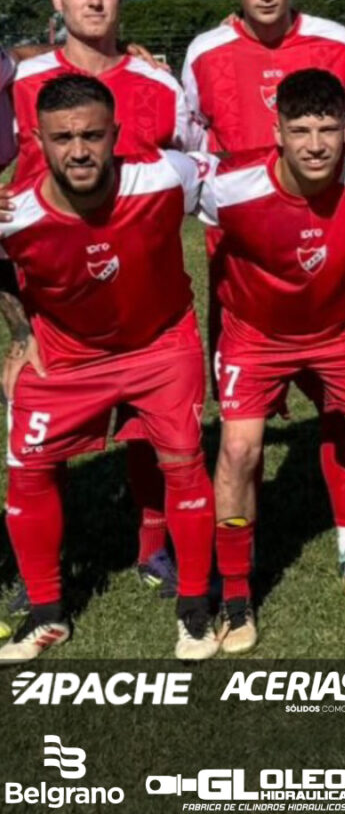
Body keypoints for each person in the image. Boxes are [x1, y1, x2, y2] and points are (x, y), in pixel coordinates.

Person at [181, 0, 345, 583]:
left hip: (326, 255)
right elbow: (188, 145)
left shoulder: (334, 41)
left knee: (341, 407)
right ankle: (245, 551)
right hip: (242, 267)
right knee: (242, 426)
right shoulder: (205, 53)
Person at [0, 76, 216, 661]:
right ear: (37, 141)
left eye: (92, 136)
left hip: (160, 345)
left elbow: (240, 181)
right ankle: (46, 614)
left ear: (115, 135)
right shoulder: (14, 212)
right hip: (66, 356)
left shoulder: (166, 175)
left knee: (183, 461)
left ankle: (195, 607)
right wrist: (20, 332)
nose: (78, 151)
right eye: (62, 138)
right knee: (27, 468)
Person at [198, 69, 345, 649]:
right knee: (239, 449)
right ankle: (237, 597)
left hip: (344, 329)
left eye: (327, 129)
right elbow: (147, 185)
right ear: (277, 132)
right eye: (300, 130)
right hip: (255, 333)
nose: (315, 145)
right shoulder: (228, 189)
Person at [10, 0, 194, 599]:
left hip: (144, 295)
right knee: (42, 441)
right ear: (56, 0)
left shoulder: (158, 84)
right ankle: (45, 572)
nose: (94, 1)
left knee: (150, 429)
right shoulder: (22, 82)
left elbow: (195, 168)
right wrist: (18, 331)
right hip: (54, 301)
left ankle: (153, 546)